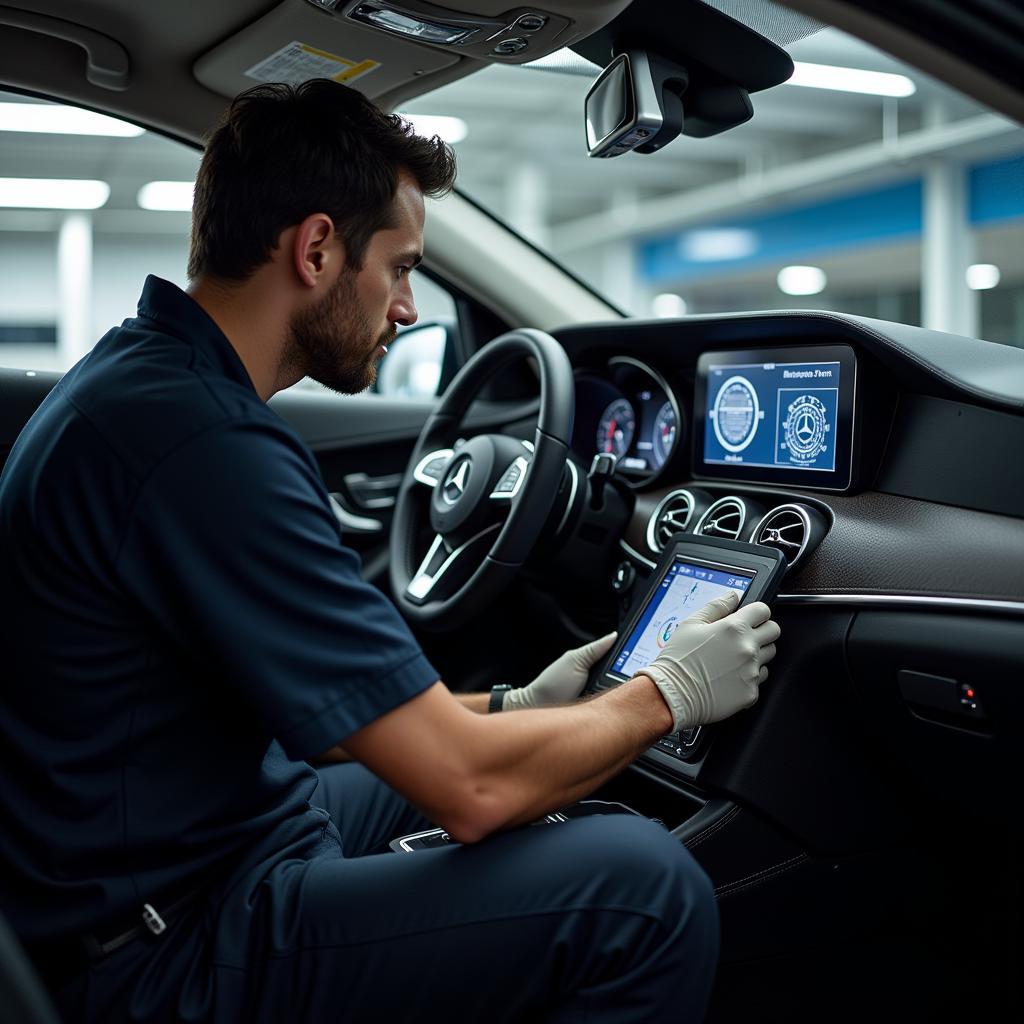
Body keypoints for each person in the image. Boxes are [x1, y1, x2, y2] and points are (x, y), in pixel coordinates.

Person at [0, 80, 780, 1023]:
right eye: (401, 267)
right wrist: (667, 697)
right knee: (643, 888)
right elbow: (475, 789)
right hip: (164, 948)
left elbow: (334, 714)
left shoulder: (140, 382)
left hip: (186, 845)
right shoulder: (206, 447)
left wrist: (515, 704)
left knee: (470, 773)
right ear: (317, 248)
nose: (409, 307)